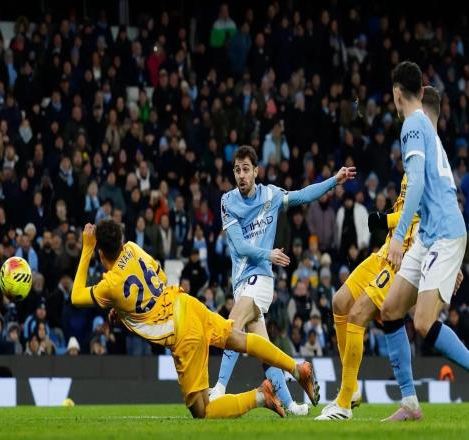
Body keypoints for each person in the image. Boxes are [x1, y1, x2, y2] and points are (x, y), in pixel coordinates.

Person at [72, 219, 316, 419]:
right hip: (186, 303)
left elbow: (76, 296)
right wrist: (126, 309)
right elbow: (159, 276)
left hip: (179, 330)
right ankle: (297, 368)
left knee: (203, 411)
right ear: (121, 241)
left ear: (100, 252)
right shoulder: (133, 248)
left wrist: (86, 248)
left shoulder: (110, 285)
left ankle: (261, 397)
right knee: (239, 339)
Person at [209, 145, 355, 414]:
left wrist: (334, 181)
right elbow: (239, 246)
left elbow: (303, 195)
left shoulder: (271, 195)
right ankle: (291, 401)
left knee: (232, 325)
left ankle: (218, 389)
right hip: (241, 281)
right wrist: (269, 253)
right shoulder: (227, 201)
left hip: (261, 278)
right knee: (264, 349)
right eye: (237, 170)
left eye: (246, 169)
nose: (241, 175)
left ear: (256, 171)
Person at [382, 63, 468, 421]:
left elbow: (416, 183)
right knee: (390, 310)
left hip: (441, 235)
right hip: (433, 234)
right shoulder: (428, 130)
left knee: (422, 322)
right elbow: (443, 188)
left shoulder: (412, 125)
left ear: (396, 93)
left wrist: (399, 237)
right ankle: (410, 404)